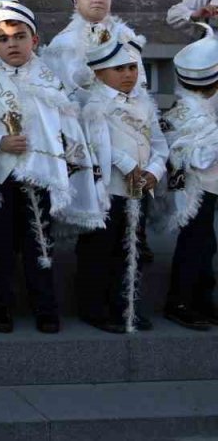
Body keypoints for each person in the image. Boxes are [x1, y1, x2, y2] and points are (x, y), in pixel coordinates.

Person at [0, 0, 96, 335]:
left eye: (19, 35)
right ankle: (1, 309)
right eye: (3, 38)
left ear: (34, 40)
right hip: (1, 175)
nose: (12, 43)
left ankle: (45, 308)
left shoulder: (49, 79)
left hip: (39, 174)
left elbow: (65, 124)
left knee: (39, 244)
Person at [77, 31, 163, 334]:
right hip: (108, 192)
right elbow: (96, 145)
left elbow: (159, 142)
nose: (128, 74)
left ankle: (126, 305)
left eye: (132, 67)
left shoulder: (144, 103)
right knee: (99, 251)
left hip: (138, 191)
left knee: (132, 250)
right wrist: (128, 165)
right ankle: (94, 307)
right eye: (119, 69)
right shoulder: (94, 105)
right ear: (99, 73)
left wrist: (155, 170)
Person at [161, 24, 218, 330]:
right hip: (194, 188)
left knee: (206, 244)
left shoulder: (204, 105)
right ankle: (179, 301)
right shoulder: (189, 112)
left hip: (209, 185)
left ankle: (203, 298)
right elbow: (199, 156)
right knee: (194, 243)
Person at [44, 0, 144, 103]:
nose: (97, 0)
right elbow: (57, 88)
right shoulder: (62, 44)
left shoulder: (125, 35)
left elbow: (139, 79)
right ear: (76, 1)